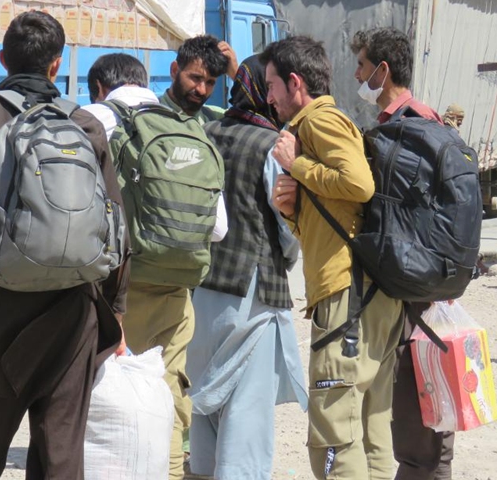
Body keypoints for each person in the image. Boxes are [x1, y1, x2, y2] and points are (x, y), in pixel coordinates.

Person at [0, 11, 128, 479]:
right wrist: (115, 309)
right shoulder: (85, 124)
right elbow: (116, 225)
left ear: (2, 59)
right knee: (60, 456)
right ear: (57, 64)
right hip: (73, 312)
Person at [263, 36, 404, 480]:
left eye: (271, 85)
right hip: (366, 291)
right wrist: (292, 212)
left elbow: (358, 184)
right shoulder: (322, 124)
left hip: (348, 296)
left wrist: (297, 166)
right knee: (369, 426)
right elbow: (337, 217)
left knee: (334, 432)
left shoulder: (318, 121)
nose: (268, 97)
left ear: (295, 82)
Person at [83, 51, 226, 480]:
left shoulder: (96, 118)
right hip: (178, 286)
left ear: (100, 88)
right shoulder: (190, 128)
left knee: (104, 386)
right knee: (169, 388)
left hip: (118, 286)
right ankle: (169, 472)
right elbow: (219, 229)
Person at [185, 55, 308, 479]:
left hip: (203, 285)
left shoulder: (207, 132)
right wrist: (289, 256)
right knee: (246, 401)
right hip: (252, 289)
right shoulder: (274, 146)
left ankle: (203, 469)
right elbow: (287, 224)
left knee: (204, 385)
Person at [351, 26, 454, 480]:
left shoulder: (412, 125)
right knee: (414, 414)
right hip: (416, 281)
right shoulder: (412, 122)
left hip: (416, 288)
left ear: (383, 70)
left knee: (421, 420)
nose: (357, 75)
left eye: (361, 65)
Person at [159, 34, 237, 124]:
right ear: (175, 70)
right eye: (196, 78)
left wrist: (237, 75)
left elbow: (249, 118)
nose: (202, 91)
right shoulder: (150, 117)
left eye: (210, 83)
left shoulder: (214, 118)